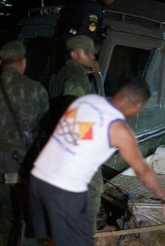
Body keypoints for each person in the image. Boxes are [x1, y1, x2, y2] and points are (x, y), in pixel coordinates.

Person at [29, 78, 165, 246]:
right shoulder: (119, 129)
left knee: (56, 242)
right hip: (66, 189)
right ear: (137, 104)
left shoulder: (85, 101)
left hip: (39, 177)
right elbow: (142, 170)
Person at [0, 40, 49, 246]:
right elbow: (43, 120)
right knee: (26, 209)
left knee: (5, 206)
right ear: (23, 62)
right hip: (24, 159)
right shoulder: (36, 89)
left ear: (0, 63)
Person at [46, 34, 105, 232]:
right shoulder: (76, 77)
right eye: (88, 53)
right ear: (75, 54)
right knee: (94, 188)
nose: (92, 57)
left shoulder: (58, 74)